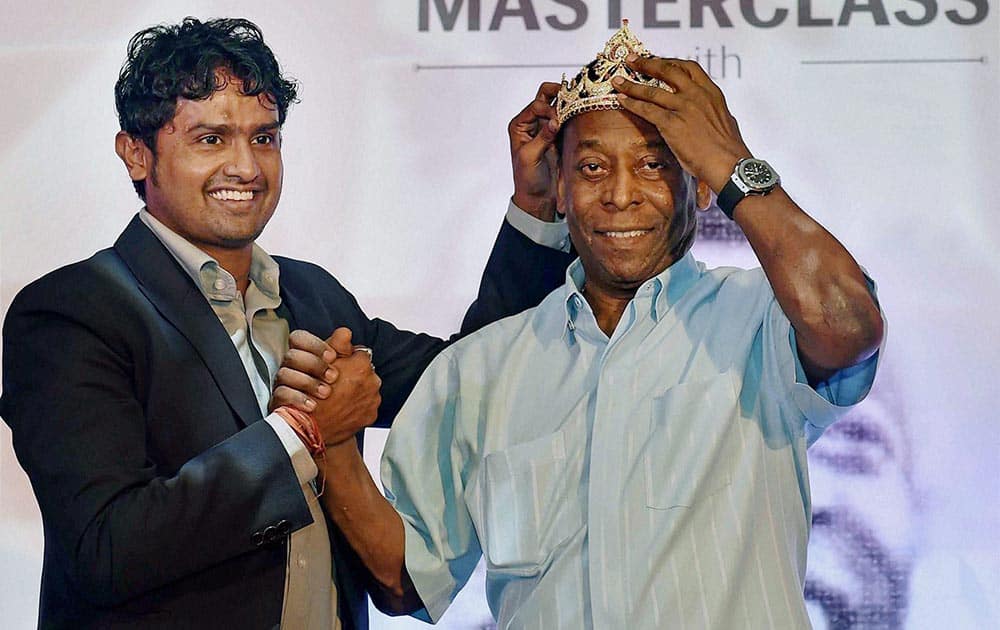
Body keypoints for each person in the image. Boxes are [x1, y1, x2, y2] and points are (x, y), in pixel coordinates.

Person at [276, 22, 886, 628]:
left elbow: (849, 325)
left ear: (699, 186)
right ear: (560, 188)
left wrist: (733, 162)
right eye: (593, 168)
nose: (622, 195)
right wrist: (330, 448)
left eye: (653, 164)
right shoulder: (484, 366)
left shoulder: (760, 320)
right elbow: (406, 579)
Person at [0, 17, 574, 630]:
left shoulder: (312, 296)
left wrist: (536, 209)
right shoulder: (71, 312)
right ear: (136, 153)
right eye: (211, 139)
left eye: (265, 137)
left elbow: (474, 373)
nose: (247, 167)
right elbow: (106, 549)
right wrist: (303, 433)